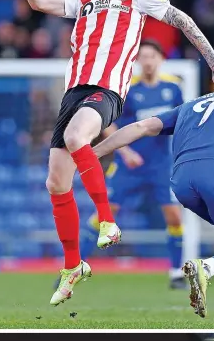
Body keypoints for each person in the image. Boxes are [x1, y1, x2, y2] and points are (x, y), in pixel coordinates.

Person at [0, 0, 214, 307]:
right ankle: (73, 265)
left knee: (78, 137)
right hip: (73, 93)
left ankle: (107, 220)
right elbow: (38, 2)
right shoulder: (81, 2)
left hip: (106, 90)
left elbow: (182, 19)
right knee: (56, 182)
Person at [93, 70, 214, 330]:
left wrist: (92, 153)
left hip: (182, 182)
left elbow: (140, 127)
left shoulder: (187, 107)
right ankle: (206, 267)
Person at [77, 40, 187, 288]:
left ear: (160, 59)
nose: (148, 61)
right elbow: (106, 122)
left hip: (161, 165)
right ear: (138, 62)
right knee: (105, 215)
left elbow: (182, 121)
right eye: (143, 57)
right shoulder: (127, 90)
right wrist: (125, 152)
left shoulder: (174, 87)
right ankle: (76, 266)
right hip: (129, 166)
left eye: (152, 56)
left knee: (173, 216)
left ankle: (175, 273)